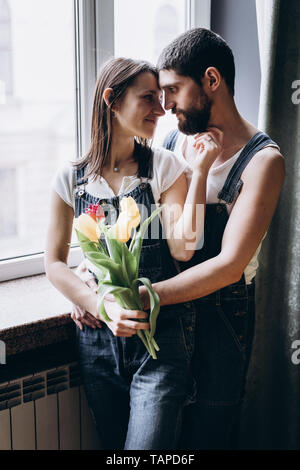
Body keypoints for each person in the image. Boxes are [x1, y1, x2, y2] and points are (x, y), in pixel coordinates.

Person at [73, 29, 285, 449]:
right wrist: (91, 270)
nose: (165, 107)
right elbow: (122, 223)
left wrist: (146, 295)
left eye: (172, 91)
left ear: (211, 80)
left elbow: (229, 266)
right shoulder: (168, 143)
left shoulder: (263, 162)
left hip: (218, 321)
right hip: (165, 325)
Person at [45, 56, 223, 450]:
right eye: (148, 98)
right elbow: (54, 263)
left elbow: (183, 245)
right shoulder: (71, 179)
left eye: (162, 98)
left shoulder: (163, 166)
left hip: (160, 340)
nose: (161, 110)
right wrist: (95, 301)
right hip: (97, 344)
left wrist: (201, 172)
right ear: (111, 99)